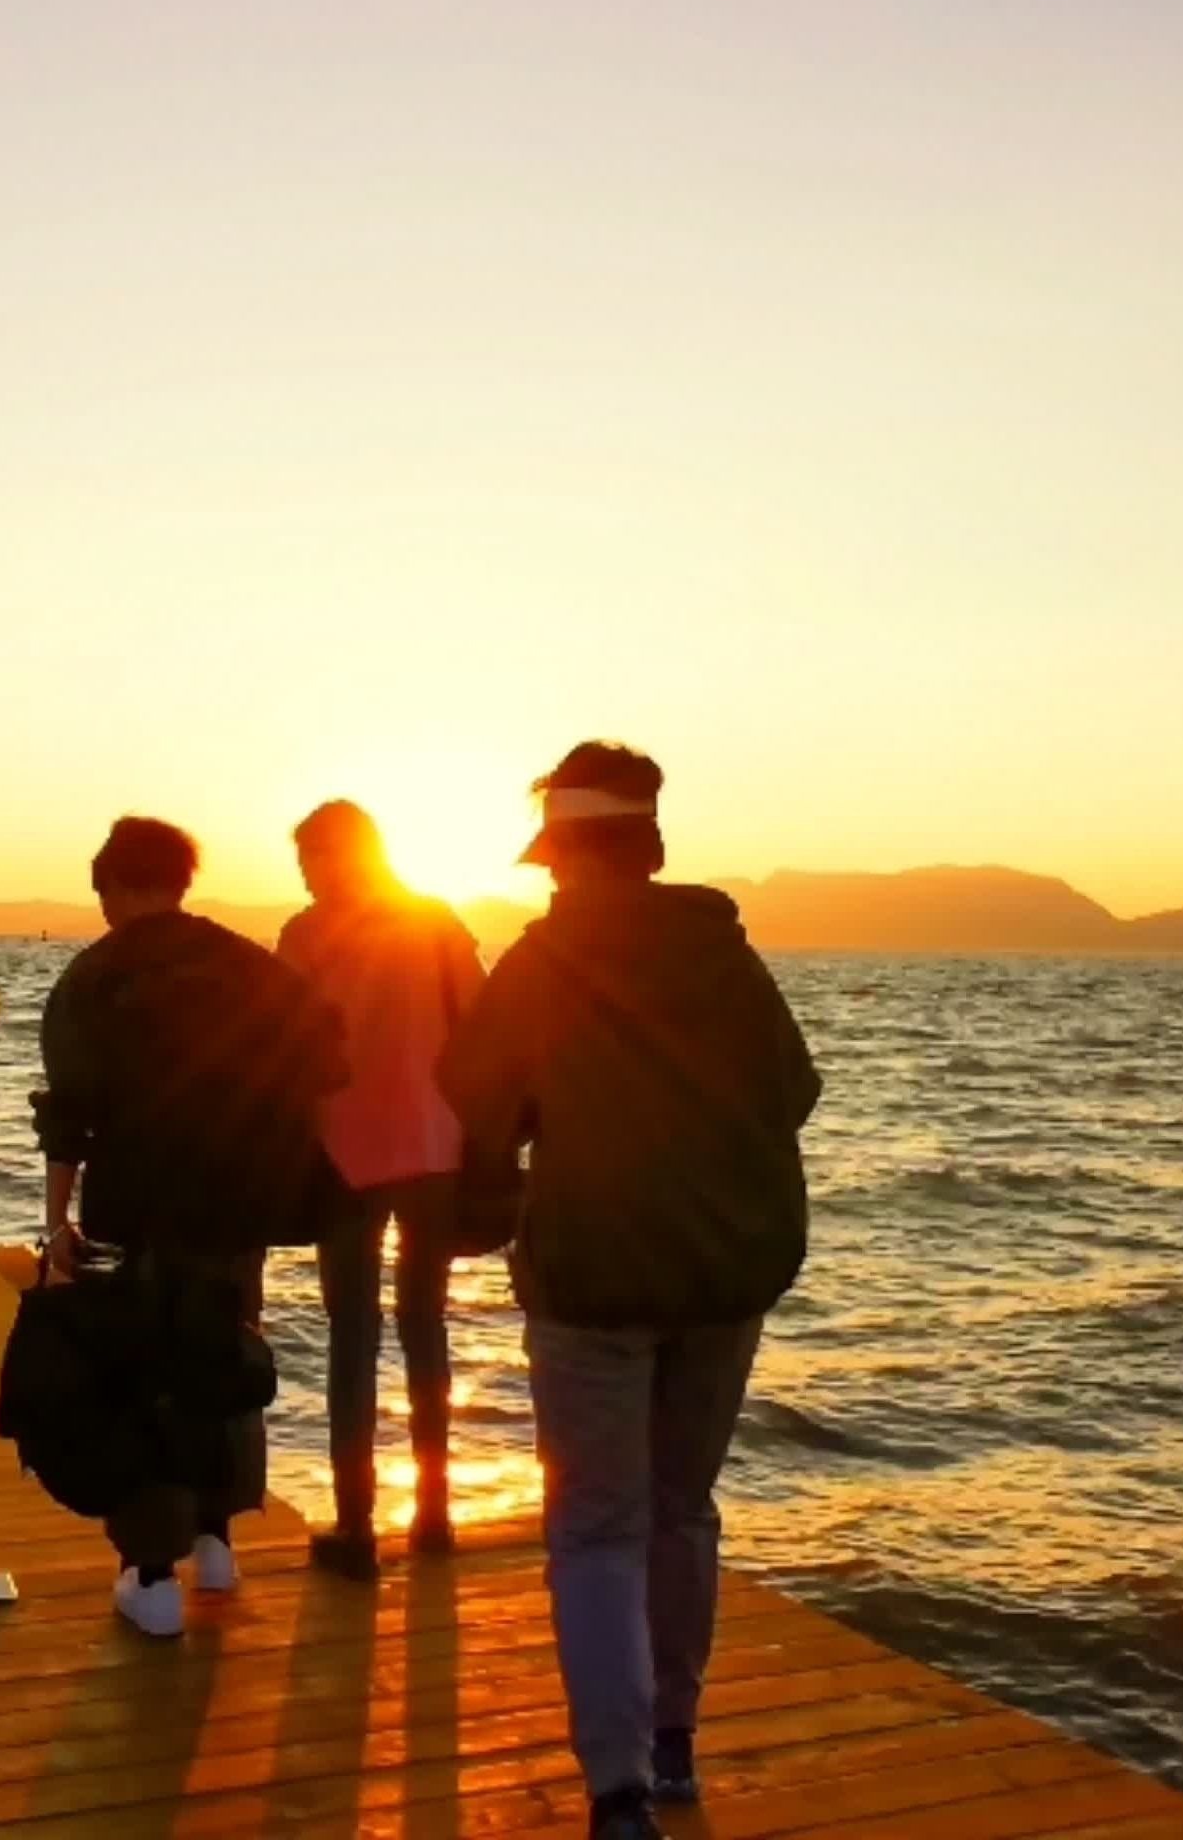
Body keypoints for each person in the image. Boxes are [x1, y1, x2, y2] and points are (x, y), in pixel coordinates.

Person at [437, 742, 820, 1840]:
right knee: (680, 1508)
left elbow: (475, 1094)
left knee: (597, 1524)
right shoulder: (726, 956)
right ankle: (675, 1747)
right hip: (724, 1272)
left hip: (592, 1277)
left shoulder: (545, 960)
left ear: (569, 856)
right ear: (648, 847)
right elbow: (792, 1093)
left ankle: (617, 1793)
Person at [35, 815, 345, 1637]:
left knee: (138, 1384)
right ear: (181, 881)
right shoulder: (252, 968)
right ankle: (217, 1542)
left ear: (110, 886)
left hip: (133, 1209)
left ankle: (151, 1576)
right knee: (225, 1359)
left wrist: (54, 1219)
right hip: (237, 1203)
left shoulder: (95, 978)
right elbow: (329, 1057)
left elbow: (69, 1112)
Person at [273, 799, 483, 1579]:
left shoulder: (306, 935)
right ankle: (432, 1517)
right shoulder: (436, 922)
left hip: (345, 1154)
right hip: (434, 1146)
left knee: (352, 1337)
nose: (307, 876)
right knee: (424, 1329)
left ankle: (357, 1528)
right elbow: (480, 1020)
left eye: (313, 859)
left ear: (342, 855)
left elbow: (283, 1035)